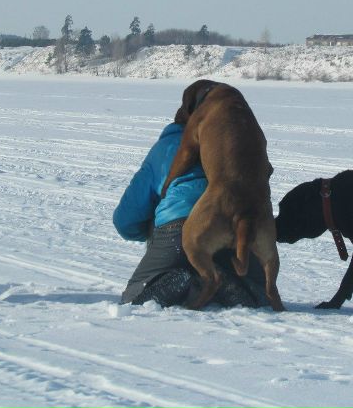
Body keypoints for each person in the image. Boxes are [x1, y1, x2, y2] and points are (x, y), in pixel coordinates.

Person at [113, 122, 269, 308]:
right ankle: (232, 284)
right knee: (260, 297)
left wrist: (149, 231)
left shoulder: (168, 146)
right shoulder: (242, 145)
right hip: (234, 227)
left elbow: (126, 219)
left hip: (178, 228)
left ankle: (178, 278)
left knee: (133, 298)